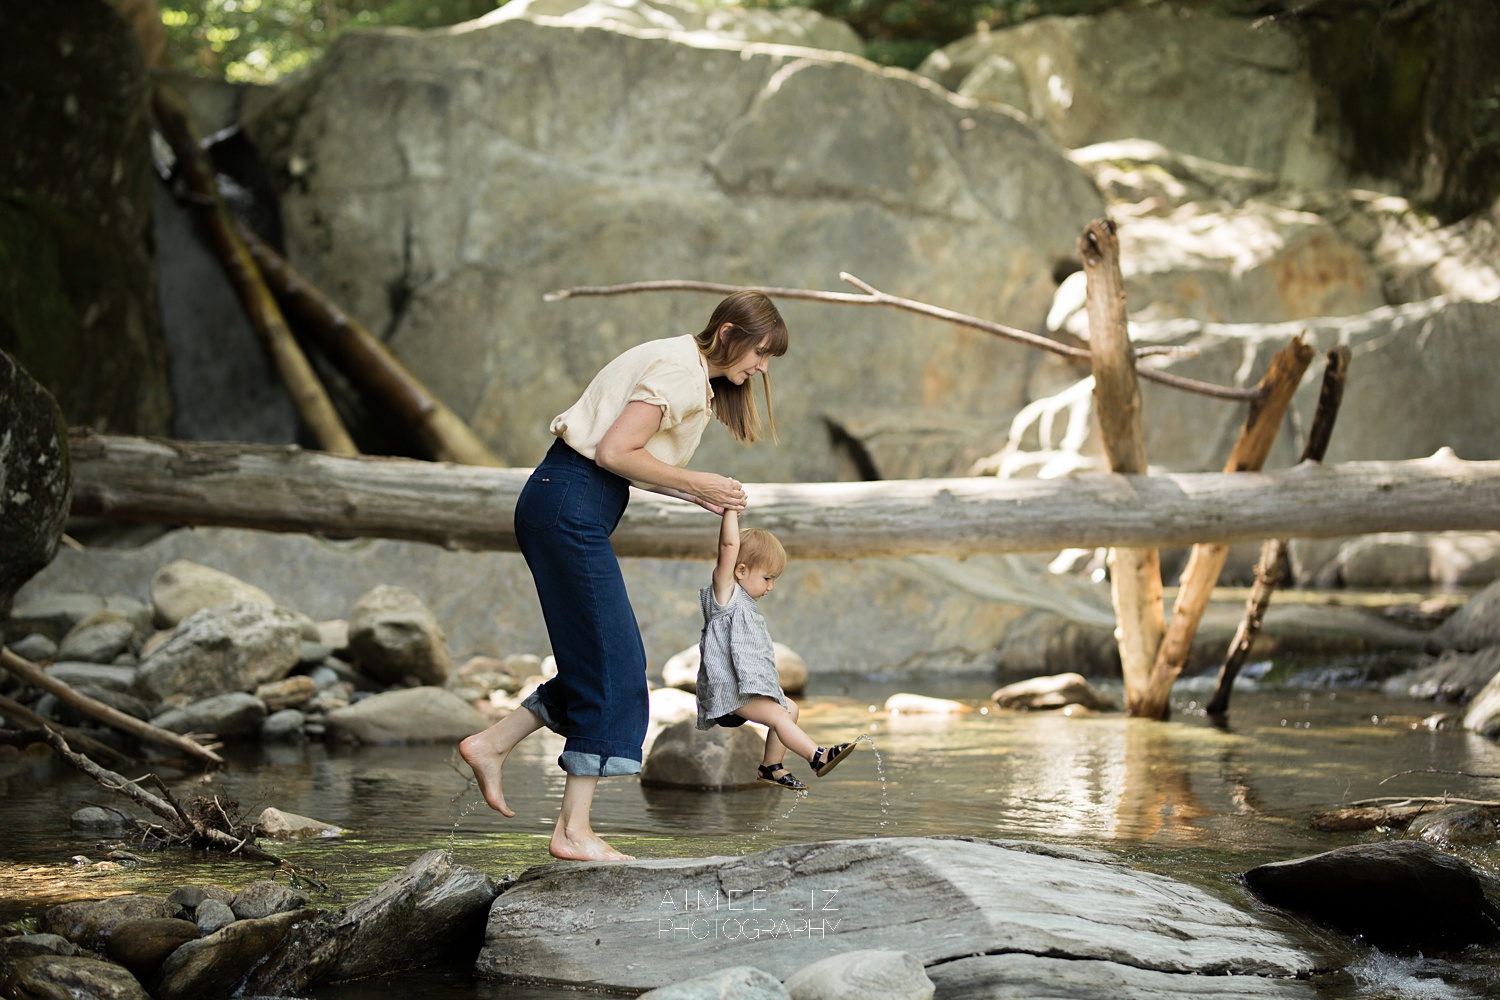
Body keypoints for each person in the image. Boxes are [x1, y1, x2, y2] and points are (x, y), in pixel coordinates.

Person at [460, 290, 788, 861]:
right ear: (731, 331)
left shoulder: (688, 371)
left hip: (564, 503)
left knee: (601, 661)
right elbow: (613, 450)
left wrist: (698, 494)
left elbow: (626, 458)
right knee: (616, 665)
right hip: (569, 507)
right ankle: (572, 832)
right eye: (760, 353)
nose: (761, 368)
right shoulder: (682, 372)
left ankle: (493, 742)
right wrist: (698, 483)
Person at [695, 509, 858, 791]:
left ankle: (771, 767)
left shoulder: (747, 606)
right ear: (741, 570)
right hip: (728, 692)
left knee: (789, 708)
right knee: (780, 717)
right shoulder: (725, 597)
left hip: (746, 690)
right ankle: (816, 756)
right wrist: (730, 510)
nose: (771, 587)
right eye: (768, 578)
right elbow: (728, 547)